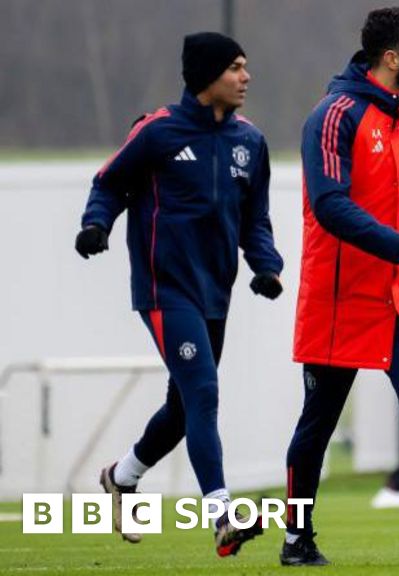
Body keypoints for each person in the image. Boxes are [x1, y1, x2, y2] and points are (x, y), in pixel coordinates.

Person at [76, 31, 283, 557]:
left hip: (217, 291)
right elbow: (109, 183)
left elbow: (255, 219)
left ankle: (121, 477)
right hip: (164, 289)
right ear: (206, 77)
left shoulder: (250, 142)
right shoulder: (158, 132)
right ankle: (221, 515)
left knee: (184, 404)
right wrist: (96, 224)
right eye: (236, 67)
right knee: (204, 393)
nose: (246, 77)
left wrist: (266, 266)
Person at [281, 7, 399, 567]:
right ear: (392, 59)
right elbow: (329, 205)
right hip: (340, 294)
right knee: (318, 420)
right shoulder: (333, 115)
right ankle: (296, 537)